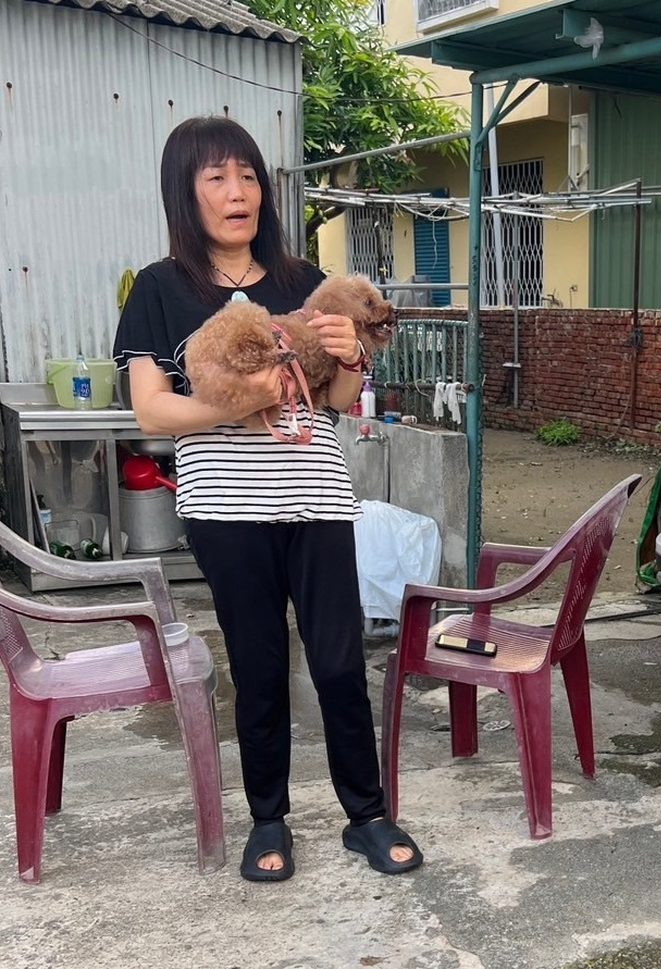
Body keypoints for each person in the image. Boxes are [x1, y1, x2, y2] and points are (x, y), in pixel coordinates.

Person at [113, 116, 422, 882]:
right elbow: (152, 410)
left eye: (247, 175)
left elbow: (340, 399)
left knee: (341, 660)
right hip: (226, 509)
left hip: (316, 496)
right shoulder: (160, 289)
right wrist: (243, 398)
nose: (237, 191)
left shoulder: (298, 277)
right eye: (215, 177)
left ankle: (367, 814)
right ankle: (268, 818)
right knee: (257, 666)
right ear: (185, 192)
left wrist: (352, 358)